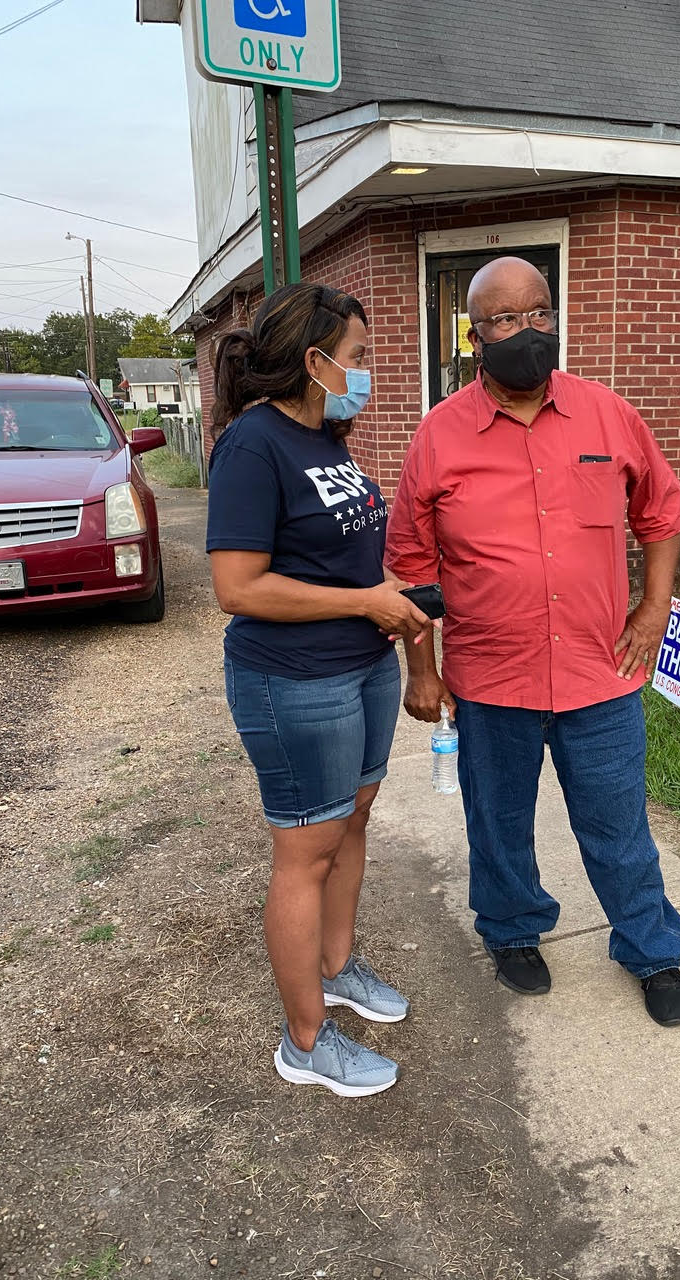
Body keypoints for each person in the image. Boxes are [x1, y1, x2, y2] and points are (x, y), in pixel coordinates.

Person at [385, 257, 680, 1027]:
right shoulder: (439, 436)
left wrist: (654, 609)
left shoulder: (609, 415)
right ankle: (513, 932)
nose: (527, 332)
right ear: (475, 336)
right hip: (493, 680)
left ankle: (651, 949)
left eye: (539, 313)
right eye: (505, 321)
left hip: (601, 674)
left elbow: (660, 514)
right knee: (498, 826)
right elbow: (413, 567)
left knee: (620, 827)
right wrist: (420, 671)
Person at [206, 282, 434, 1095]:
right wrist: (364, 602)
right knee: (305, 851)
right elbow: (238, 587)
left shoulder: (328, 438)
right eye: (361, 358)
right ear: (315, 361)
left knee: (352, 820)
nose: (367, 372)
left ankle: (337, 967)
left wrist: (397, 609)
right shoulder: (253, 447)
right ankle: (305, 1040)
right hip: (293, 683)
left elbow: (354, 558)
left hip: (361, 667)